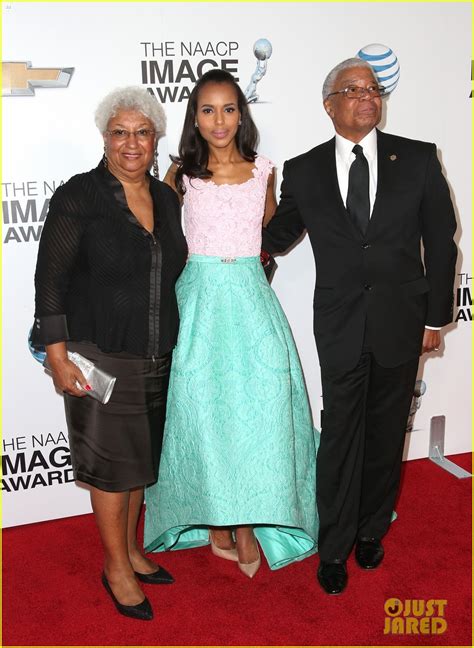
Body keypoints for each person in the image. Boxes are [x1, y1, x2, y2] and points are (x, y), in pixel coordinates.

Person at [262, 58, 457, 594]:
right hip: (341, 323)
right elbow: (277, 237)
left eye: (373, 88)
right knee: (342, 437)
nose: (367, 96)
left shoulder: (416, 158)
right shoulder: (304, 170)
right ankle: (333, 547)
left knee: (387, 431)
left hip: (403, 320)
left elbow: (442, 240)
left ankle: (372, 531)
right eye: (353, 89)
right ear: (330, 105)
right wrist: (249, 193)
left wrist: (437, 316)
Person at [144, 69, 319, 578]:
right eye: (207, 109)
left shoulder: (264, 169)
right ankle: (214, 521)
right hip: (197, 301)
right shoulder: (180, 175)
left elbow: (265, 235)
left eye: (228, 109)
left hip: (249, 299)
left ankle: (245, 524)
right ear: (194, 118)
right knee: (200, 413)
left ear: (241, 115)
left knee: (257, 412)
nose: (218, 120)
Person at [31, 87, 187, 619]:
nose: (131, 143)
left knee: (139, 465)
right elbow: (49, 280)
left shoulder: (167, 198)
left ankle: (134, 552)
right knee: (111, 468)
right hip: (98, 353)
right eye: (120, 132)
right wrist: (56, 355)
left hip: (157, 351)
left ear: (155, 139)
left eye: (142, 132)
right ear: (104, 138)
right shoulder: (81, 195)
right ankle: (115, 566)